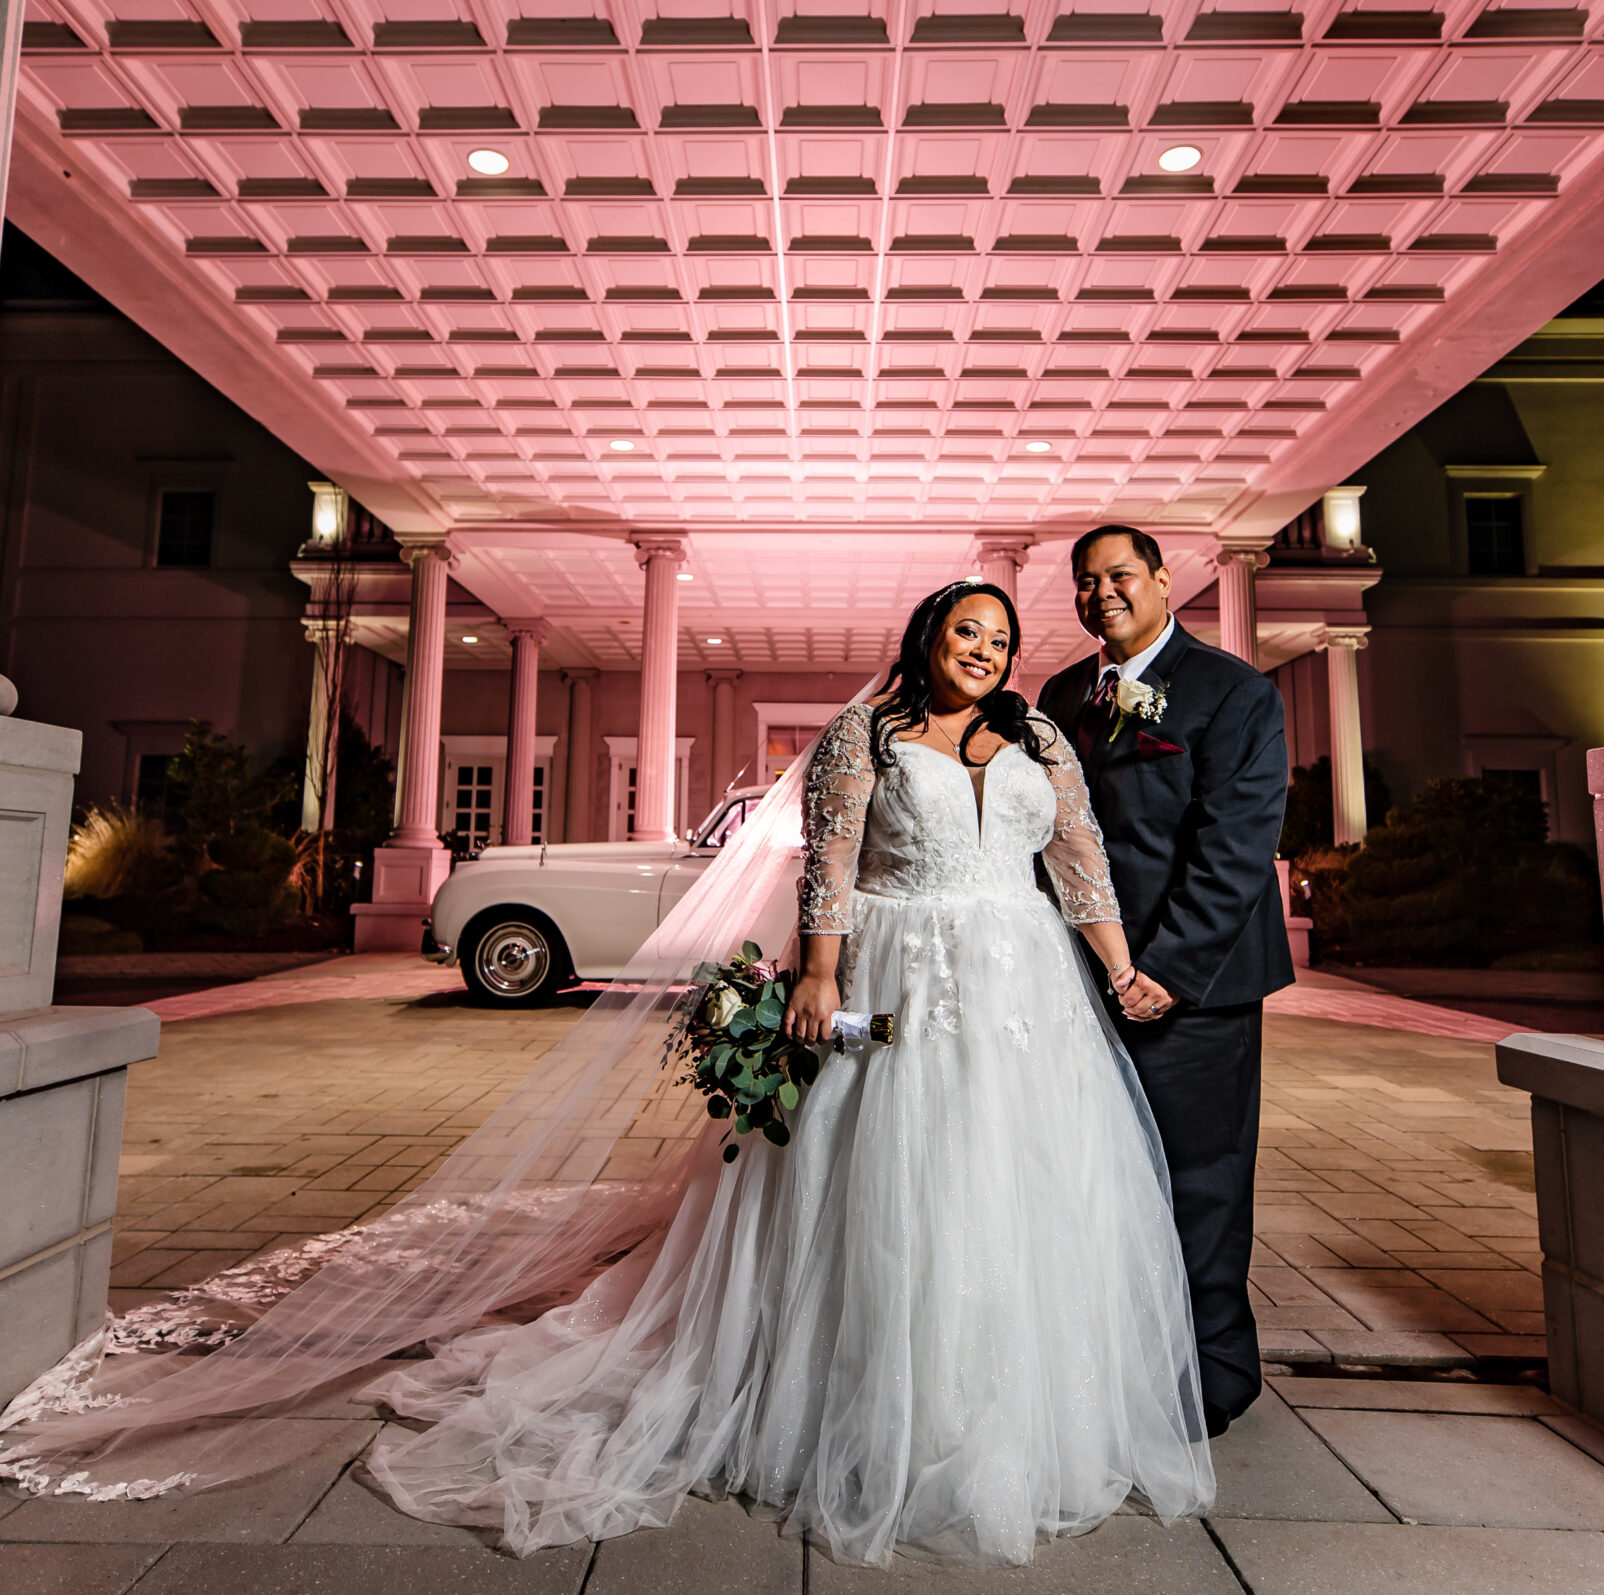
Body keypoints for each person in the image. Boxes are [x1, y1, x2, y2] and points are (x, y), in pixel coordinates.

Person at [354, 580, 1215, 1564]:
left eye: (1001, 638)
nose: (984, 649)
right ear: (928, 637)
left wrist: (1117, 969)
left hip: (1025, 984)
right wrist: (815, 975)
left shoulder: (1042, 742)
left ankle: (1003, 1401)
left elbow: (1080, 866)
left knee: (1020, 1174)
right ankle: (861, 1390)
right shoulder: (864, 738)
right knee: (888, 1164)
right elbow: (831, 867)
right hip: (890, 976)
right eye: (967, 631)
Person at [1037, 526, 1295, 1437]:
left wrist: (1169, 972)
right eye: (1084, 581)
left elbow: (1235, 848)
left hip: (1197, 984)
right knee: (1098, 1178)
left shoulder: (1234, 691)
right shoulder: (1063, 694)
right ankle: (1118, 1361)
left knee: (1202, 1181)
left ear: (1159, 581)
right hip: (1084, 985)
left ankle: (1213, 1374)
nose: (1100, 593)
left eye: (1118, 576)